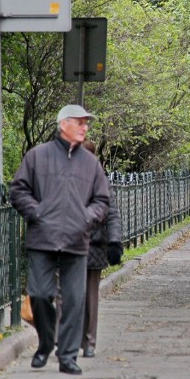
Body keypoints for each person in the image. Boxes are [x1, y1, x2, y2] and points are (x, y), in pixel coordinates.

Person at [10, 104, 110, 375]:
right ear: (64, 124)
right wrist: (37, 212)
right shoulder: (37, 156)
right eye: (80, 122)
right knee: (41, 294)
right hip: (42, 238)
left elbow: (102, 199)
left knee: (75, 300)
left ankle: (67, 357)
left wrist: (85, 218)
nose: (85, 127)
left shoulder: (90, 163)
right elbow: (18, 190)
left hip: (77, 241)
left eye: (86, 123)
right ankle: (45, 342)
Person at [79, 139, 123, 359]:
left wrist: (115, 242)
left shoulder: (101, 182)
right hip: (65, 245)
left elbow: (112, 214)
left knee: (89, 296)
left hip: (93, 247)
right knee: (62, 294)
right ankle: (63, 337)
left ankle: (88, 342)